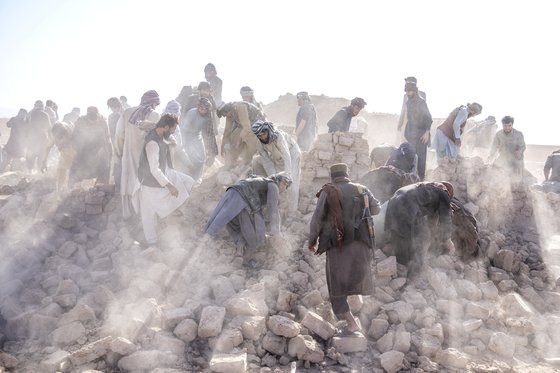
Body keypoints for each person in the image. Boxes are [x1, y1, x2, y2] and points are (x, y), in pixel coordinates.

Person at [308, 163, 380, 334]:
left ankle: (351, 323)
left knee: (337, 287)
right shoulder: (362, 189)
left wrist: (312, 240)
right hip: (362, 244)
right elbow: (376, 208)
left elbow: (317, 219)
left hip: (339, 247)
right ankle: (362, 320)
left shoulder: (328, 191)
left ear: (332, 177)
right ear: (347, 174)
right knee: (355, 279)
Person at [137, 114, 195, 245]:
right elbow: (154, 169)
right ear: (166, 127)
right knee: (148, 215)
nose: (173, 132)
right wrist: (170, 186)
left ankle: (174, 212)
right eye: (173, 129)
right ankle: (152, 244)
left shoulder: (162, 135)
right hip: (150, 182)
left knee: (188, 182)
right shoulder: (152, 143)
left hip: (166, 172)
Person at [205, 173, 292, 257]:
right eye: (284, 184)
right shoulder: (273, 186)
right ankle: (205, 241)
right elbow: (273, 209)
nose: (284, 188)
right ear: (278, 180)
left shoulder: (263, 182)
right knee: (257, 233)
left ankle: (238, 245)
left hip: (233, 191)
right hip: (242, 196)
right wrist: (277, 233)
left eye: (286, 187)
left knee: (223, 217)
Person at [384, 181, 455, 276]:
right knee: (421, 238)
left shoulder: (426, 187)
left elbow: (431, 221)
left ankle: (397, 264)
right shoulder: (443, 194)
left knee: (400, 234)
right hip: (408, 205)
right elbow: (445, 218)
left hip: (393, 201)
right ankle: (413, 273)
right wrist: (447, 240)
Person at [115, 90, 161, 218]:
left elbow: (119, 134)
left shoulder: (127, 112)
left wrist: (119, 151)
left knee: (128, 181)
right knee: (144, 183)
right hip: (146, 156)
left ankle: (128, 214)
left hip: (129, 153)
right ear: (154, 102)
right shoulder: (155, 115)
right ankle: (143, 215)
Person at [251, 120, 301, 211]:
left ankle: (293, 210)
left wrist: (286, 178)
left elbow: (287, 156)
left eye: (263, 134)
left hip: (292, 154)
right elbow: (267, 163)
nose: (262, 138)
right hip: (278, 157)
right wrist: (274, 179)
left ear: (267, 130)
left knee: (293, 180)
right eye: (259, 136)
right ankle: (279, 204)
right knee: (277, 180)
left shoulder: (278, 137)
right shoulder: (259, 144)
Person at [69, 107, 112, 185]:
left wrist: (106, 150)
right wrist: (77, 148)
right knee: (75, 167)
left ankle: (101, 187)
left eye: (94, 119)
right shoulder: (80, 121)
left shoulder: (103, 121)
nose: (92, 122)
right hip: (83, 147)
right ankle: (72, 188)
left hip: (98, 147)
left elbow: (107, 138)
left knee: (105, 165)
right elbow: (74, 136)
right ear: (87, 116)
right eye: (90, 119)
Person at [218, 101, 265, 167]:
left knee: (249, 137)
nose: (226, 116)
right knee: (233, 136)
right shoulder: (229, 114)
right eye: (224, 115)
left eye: (226, 114)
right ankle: (233, 160)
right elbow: (227, 131)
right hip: (245, 125)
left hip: (257, 124)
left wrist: (239, 140)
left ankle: (248, 161)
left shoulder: (240, 107)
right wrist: (223, 146)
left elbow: (247, 127)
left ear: (228, 109)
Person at [400, 82, 432, 180]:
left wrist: (427, 132)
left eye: (410, 91)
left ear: (415, 91)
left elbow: (428, 118)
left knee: (421, 159)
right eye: (407, 91)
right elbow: (409, 119)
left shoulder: (421, 102)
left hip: (422, 134)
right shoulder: (408, 102)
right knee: (411, 156)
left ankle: (420, 180)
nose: (408, 93)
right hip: (411, 133)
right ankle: (411, 178)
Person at [180, 97, 217, 180]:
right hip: (188, 136)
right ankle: (189, 177)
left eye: (205, 109)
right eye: (201, 108)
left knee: (202, 158)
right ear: (198, 107)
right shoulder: (191, 113)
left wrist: (212, 150)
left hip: (198, 136)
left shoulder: (208, 115)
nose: (203, 111)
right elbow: (184, 129)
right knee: (193, 159)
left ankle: (197, 178)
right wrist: (184, 143)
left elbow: (209, 132)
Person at [43, 121, 75, 192]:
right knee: (61, 171)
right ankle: (59, 190)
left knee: (74, 173)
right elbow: (48, 147)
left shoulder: (71, 133)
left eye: (60, 135)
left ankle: (72, 190)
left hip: (74, 154)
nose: (58, 137)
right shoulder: (55, 136)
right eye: (56, 136)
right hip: (64, 155)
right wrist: (44, 161)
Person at [26, 100, 52, 172]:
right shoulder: (45, 115)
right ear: (42, 106)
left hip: (32, 138)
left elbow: (25, 125)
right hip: (42, 138)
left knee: (31, 155)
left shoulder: (30, 114)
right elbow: (49, 127)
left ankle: (30, 171)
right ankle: (38, 172)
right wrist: (51, 138)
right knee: (41, 154)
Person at [107, 97, 124, 187]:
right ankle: (119, 186)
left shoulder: (124, 115)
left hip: (124, 144)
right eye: (111, 107)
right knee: (119, 164)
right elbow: (112, 132)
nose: (112, 109)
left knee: (120, 164)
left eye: (113, 107)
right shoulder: (112, 116)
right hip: (118, 143)